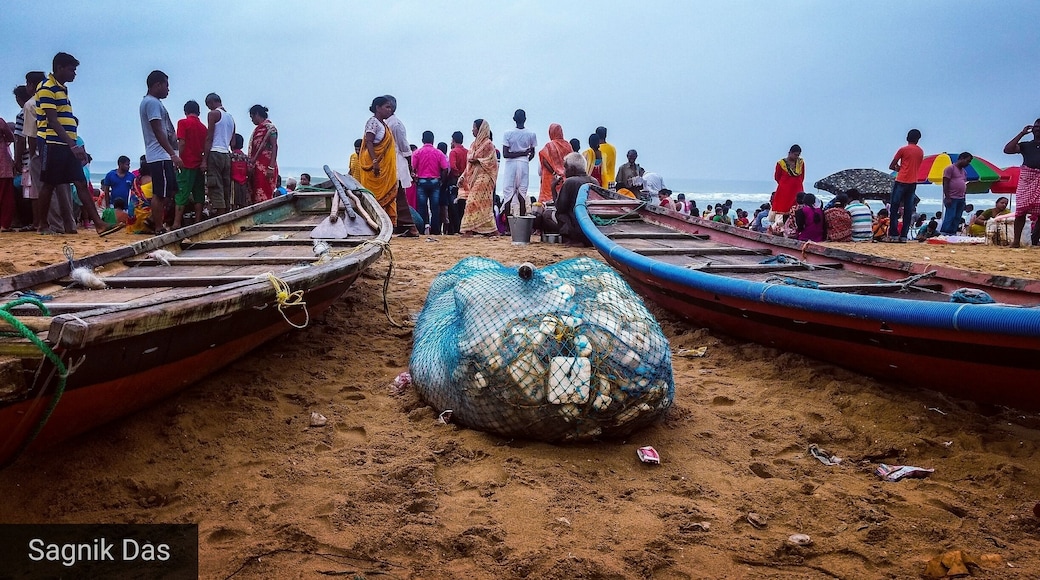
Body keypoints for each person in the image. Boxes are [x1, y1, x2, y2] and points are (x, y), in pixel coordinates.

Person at [37, 53, 118, 236]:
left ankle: (99, 224)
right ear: (60, 68)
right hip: (52, 142)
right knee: (49, 184)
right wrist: (72, 144)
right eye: (71, 69)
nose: (74, 73)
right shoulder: (47, 88)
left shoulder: (62, 89)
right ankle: (42, 224)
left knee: (80, 182)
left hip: (66, 144)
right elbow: (53, 120)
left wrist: (73, 144)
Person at [138, 70, 182, 234]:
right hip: (159, 154)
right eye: (166, 85)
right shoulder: (152, 103)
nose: (168, 89)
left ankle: (153, 219)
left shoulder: (153, 102)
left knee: (170, 190)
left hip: (162, 154)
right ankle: (157, 226)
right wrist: (172, 154)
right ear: (157, 85)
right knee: (160, 192)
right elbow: (158, 130)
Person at [358, 96, 399, 224]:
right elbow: (369, 142)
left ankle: (388, 223)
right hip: (374, 166)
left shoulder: (384, 125)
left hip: (384, 168)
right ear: (378, 108)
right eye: (387, 107)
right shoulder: (373, 122)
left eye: (391, 108)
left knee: (388, 194)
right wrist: (375, 162)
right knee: (374, 195)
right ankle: (374, 222)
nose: (390, 110)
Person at [384, 95, 419, 237]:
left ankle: (410, 226)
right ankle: (400, 225)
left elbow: (404, 147)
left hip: (397, 162)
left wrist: (410, 166)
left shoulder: (395, 124)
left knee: (397, 195)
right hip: (391, 161)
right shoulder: (387, 123)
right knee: (395, 195)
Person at [458, 119, 499, 236]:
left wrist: (477, 159)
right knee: (482, 204)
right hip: (475, 176)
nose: (472, 130)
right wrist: (463, 176)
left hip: (485, 176)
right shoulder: (473, 144)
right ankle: (491, 230)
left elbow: (491, 161)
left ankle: (469, 229)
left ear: (480, 129)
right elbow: (469, 163)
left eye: (474, 127)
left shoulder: (488, 144)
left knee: (472, 201)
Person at [1004, 119, 1040, 247]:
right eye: (1036, 126)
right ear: (1032, 129)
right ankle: (1016, 242)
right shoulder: (1026, 145)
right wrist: (1021, 133)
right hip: (1027, 179)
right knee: (1021, 210)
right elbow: (1007, 149)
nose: (1038, 128)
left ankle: (1035, 240)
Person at [172, 100, 207, 229]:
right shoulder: (204, 128)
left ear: (185, 111)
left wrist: (178, 158)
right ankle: (197, 221)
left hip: (186, 164)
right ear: (198, 112)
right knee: (199, 193)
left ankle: (176, 223)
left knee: (181, 193)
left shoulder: (183, 123)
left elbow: (181, 142)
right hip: (199, 164)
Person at [886, 129, 924, 242]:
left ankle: (893, 234)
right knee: (908, 210)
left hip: (901, 179)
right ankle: (903, 236)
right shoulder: (920, 152)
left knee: (894, 208)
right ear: (918, 139)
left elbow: (892, 165)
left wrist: (899, 168)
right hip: (913, 181)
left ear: (907, 138)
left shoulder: (903, 149)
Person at [201, 92, 235, 216]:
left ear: (211, 102)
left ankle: (220, 215)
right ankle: (226, 213)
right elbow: (233, 141)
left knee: (215, 185)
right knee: (226, 185)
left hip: (215, 152)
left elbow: (209, 137)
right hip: (226, 154)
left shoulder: (213, 114)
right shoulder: (231, 118)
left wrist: (204, 159)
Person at [500, 109, 537, 218]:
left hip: (510, 165)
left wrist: (519, 154)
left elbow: (505, 154)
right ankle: (522, 222)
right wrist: (524, 157)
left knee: (508, 195)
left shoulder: (508, 133)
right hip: (524, 164)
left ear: (513, 119)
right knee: (522, 194)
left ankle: (508, 226)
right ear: (525, 119)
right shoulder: (531, 134)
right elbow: (532, 153)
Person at [554, 152, 597, 246]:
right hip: (592, 231)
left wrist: (553, 188)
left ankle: (573, 240)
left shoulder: (570, 182)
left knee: (547, 215)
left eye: (566, 168)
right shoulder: (594, 181)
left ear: (572, 169)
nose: (564, 172)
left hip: (577, 230)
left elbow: (560, 208)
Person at [412, 130, 449, 234]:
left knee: (422, 207)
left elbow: (412, 167)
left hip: (421, 180)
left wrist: (415, 178)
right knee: (435, 208)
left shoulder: (417, 153)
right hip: (435, 181)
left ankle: (421, 230)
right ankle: (435, 230)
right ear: (433, 140)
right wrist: (441, 180)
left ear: (422, 140)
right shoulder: (438, 153)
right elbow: (445, 168)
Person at [247, 104, 278, 203]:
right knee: (255, 192)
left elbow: (274, 147)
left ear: (256, 114)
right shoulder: (257, 129)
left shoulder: (270, 128)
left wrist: (271, 167)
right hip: (257, 166)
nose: (252, 121)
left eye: (252, 117)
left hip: (267, 166)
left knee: (264, 193)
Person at [537, 123, 570, 203]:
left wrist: (555, 172)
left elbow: (545, 161)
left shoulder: (549, 146)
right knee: (562, 199)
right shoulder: (567, 145)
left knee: (548, 201)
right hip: (564, 178)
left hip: (550, 178)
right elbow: (570, 160)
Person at [940, 152, 972, 235]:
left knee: (957, 217)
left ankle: (952, 232)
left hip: (960, 198)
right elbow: (945, 183)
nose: (968, 163)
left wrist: (964, 199)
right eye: (967, 161)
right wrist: (947, 197)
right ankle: (945, 232)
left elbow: (964, 184)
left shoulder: (964, 172)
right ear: (961, 158)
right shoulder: (950, 168)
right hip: (952, 197)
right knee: (950, 216)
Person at [772, 145, 804, 220]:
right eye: (795, 155)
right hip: (784, 190)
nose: (796, 157)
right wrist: (785, 184)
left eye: (798, 155)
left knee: (797, 210)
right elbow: (777, 177)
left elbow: (802, 176)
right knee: (784, 212)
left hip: (797, 189)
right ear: (789, 153)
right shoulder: (781, 163)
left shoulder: (801, 162)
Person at [444, 130, 467, 234]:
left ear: (453, 140)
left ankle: (455, 229)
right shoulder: (467, 151)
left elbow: (452, 166)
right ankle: (463, 227)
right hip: (466, 180)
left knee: (453, 206)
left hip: (455, 181)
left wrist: (457, 175)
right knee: (463, 205)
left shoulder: (453, 152)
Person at [0, 112, 14, 231]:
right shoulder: (0, 122)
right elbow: (11, 137)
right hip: (2, 162)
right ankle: (4, 224)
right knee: (6, 196)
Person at [229, 134, 250, 210]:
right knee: (243, 203)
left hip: (233, 182)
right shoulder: (245, 157)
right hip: (244, 182)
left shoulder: (230, 156)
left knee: (233, 202)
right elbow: (250, 170)